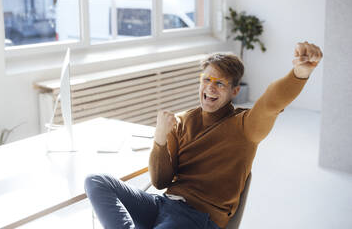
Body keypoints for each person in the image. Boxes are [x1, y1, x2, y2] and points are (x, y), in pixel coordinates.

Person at [85, 41, 323, 229]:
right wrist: (159, 140)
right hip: (164, 204)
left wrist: (298, 74)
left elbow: (271, 103)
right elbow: (160, 182)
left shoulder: (245, 126)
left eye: (219, 83)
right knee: (96, 181)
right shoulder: (184, 121)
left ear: (234, 91)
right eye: (207, 80)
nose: (210, 87)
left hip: (198, 219)